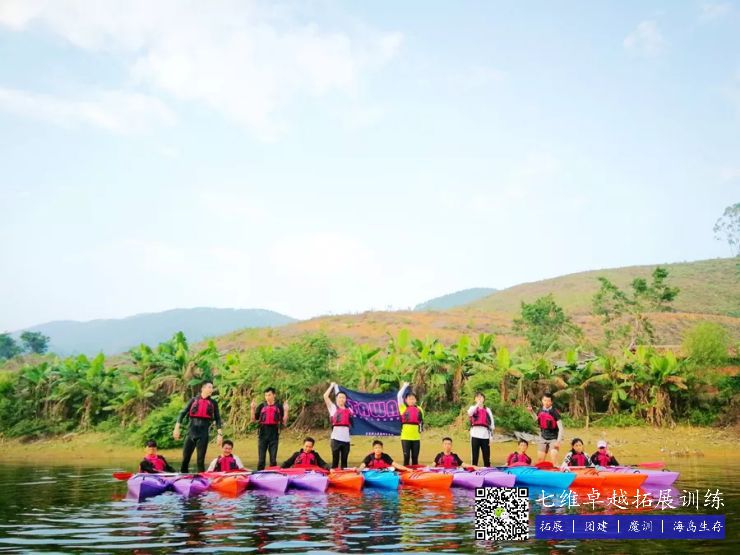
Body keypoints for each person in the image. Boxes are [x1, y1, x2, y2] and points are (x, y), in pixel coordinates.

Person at [173, 381, 223, 473]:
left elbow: (218, 418)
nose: (211, 389)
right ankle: (183, 477)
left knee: (200, 461)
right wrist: (176, 428)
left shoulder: (213, 403)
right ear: (203, 388)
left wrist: (220, 434)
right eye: (209, 387)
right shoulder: (193, 400)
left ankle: (201, 479)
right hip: (191, 432)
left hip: (203, 434)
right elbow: (182, 413)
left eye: (212, 388)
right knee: (185, 460)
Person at [250, 387, 289, 471]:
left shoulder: (279, 406)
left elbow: (284, 422)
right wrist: (252, 409)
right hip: (263, 434)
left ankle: (272, 475)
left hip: (274, 435)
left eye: (269, 395)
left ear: (274, 395)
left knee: (273, 460)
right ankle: (259, 475)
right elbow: (253, 420)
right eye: (266, 395)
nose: (267, 397)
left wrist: (286, 411)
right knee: (261, 460)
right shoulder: (261, 406)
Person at [527, 392, 564, 465]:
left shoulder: (555, 412)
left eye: (548, 401)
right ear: (542, 400)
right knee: (540, 460)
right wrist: (531, 412)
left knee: (553, 458)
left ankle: (556, 470)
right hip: (543, 437)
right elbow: (536, 419)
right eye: (545, 400)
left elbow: (561, 428)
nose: (546, 402)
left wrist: (558, 441)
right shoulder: (540, 410)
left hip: (553, 439)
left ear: (551, 402)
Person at [324, 382, 354, 469]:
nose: (341, 399)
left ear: (346, 399)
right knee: (335, 461)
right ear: (336, 398)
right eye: (340, 397)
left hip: (346, 439)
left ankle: (344, 475)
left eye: (343, 397)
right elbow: (325, 396)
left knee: (344, 462)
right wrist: (332, 386)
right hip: (336, 439)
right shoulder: (333, 408)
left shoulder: (350, 410)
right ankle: (334, 474)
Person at [397, 382, 424, 466]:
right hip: (405, 437)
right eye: (409, 399)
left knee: (415, 457)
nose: (411, 400)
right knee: (406, 457)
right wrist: (404, 386)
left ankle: (415, 473)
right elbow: (399, 396)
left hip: (416, 438)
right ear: (406, 400)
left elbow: (421, 422)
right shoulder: (403, 408)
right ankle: (405, 471)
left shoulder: (420, 409)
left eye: (413, 399)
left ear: (415, 400)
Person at [467, 392, 494, 467]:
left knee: (486, 456)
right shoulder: (472, 408)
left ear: (484, 399)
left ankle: (487, 470)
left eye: (481, 397)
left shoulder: (487, 410)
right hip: (475, 435)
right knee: (475, 456)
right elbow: (470, 413)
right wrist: (477, 404)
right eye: (477, 397)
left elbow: (492, 425)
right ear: (475, 399)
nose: (479, 398)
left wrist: (491, 437)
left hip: (485, 436)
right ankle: (474, 469)